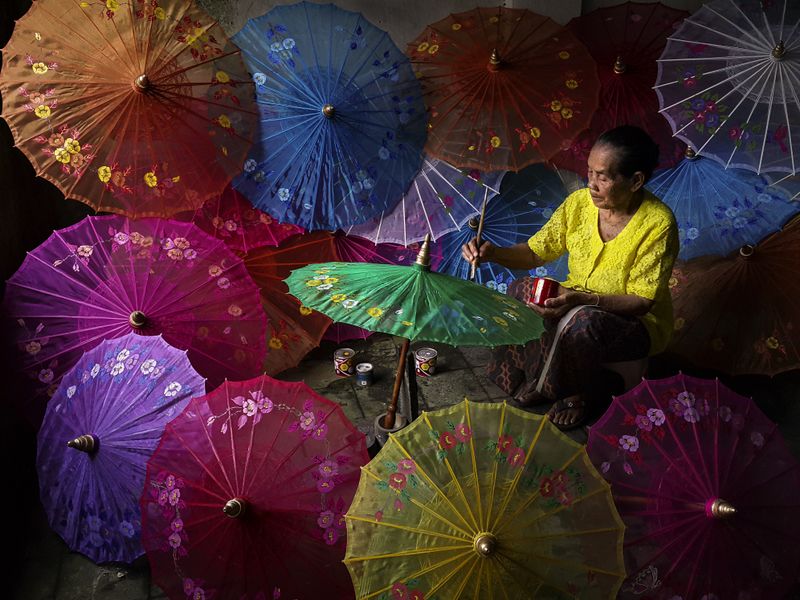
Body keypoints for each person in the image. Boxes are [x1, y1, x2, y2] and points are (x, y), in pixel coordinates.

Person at [462, 125, 679, 430]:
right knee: (521, 289)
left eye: (603, 177)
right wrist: (491, 253)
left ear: (636, 181)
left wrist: (582, 299)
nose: (591, 184)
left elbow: (642, 302)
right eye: (589, 173)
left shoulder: (658, 223)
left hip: (634, 323)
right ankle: (534, 379)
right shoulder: (579, 204)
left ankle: (577, 395)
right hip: (577, 299)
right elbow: (536, 253)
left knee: (582, 321)